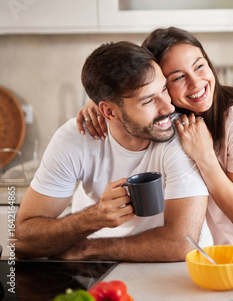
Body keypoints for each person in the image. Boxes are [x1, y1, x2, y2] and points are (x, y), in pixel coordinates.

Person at [78, 27, 233, 257]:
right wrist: (100, 104)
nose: (196, 83)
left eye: (199, 66)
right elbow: (130, 92)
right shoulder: (180, 120)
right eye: (179, 77)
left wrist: (204, 157)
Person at [15, 41, 209, 261]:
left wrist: (88, 249)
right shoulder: (75, 138)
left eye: (164, 89)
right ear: (108, 111)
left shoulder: (182, 135)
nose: (169, 107)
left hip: (176, 273)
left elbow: (181, 243)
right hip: (103, 271)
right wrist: (93, 218)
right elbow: (21, 241)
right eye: (148, 101)